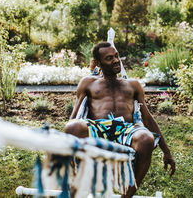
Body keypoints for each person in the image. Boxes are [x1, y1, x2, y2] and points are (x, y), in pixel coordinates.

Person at [64, 42, 175, 198]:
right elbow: (75, 116)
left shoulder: (133, 85)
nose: (116, 60)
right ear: (98, 62)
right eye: (109, 58)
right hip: (97, 128)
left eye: (116, 56)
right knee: (72, 127)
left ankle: (126, 196)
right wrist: (66, 137)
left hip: (125, 129)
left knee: (146, 138)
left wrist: (166, 152)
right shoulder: (89, 83)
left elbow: (147, 117)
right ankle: (77, 187)